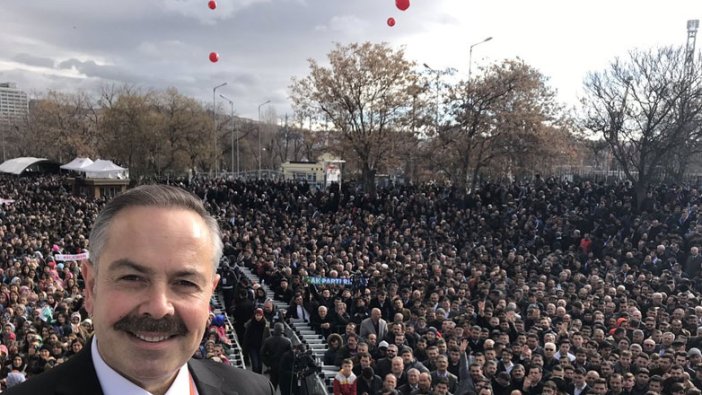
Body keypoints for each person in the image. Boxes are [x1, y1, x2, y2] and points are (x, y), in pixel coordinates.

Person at [4, 185, 274, 395]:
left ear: (209, 295)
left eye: (185, 283)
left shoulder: (254, 391)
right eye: (132, 278)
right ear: (90, 286)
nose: (158, 307)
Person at [261, 322, 292, 390]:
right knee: (284, 387)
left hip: (273, 366)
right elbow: (291, 355)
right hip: (284, 367)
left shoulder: (268, 340)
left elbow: (262, 353)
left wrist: (268, 363)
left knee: (272, 386)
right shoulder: (287, 341)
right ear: (282, 330)